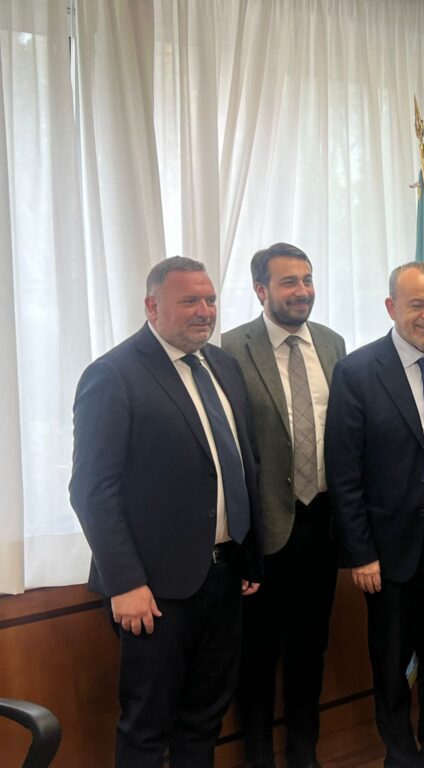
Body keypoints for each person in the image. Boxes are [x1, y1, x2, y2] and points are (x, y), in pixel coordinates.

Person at [69, 257, 261, 768]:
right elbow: (92, 490)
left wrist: (248, 555)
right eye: (189, 301)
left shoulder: (222, 366)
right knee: (147, 726)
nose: (205, 311)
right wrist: (126, 583)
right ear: (152, 307)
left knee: (204, 719)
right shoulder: (113, 374)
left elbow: (241, 464)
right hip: (153, 592)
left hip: (224, 577)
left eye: (210, 300)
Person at [326, 262, 424, 767]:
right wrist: (360, 553)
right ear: (391, 307)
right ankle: (400, 755)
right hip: (387, 548)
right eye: (417, 304)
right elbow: (344, 473)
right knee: (390, 661)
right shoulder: (357, 371)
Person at [223, 243, 346, 768]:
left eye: (308, 279)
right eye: (289, 282)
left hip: (323, 524)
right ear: (261, 290)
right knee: (257, 657)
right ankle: (258, 758)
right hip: (264, 530)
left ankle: (303, 755)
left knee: (309, 651)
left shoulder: (333, 343)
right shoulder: (230, 348)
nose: (302, 291)